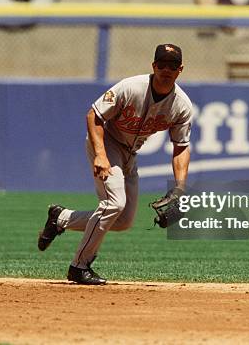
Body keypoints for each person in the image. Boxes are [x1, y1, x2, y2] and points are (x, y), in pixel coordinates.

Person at [37, 43, 193, 285]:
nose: (166, 69)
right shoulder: (131, 87)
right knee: (114, 203)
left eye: (172, 66)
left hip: (131, 153)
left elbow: (181, 146)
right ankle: (79, 265)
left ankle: (61, 218)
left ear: (180, 70)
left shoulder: (181, 105)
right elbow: (94, 115)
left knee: (122, 221)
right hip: (107, 143)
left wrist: (180, 186)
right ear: (153, 66)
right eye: (161, 64)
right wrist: (100, 154)